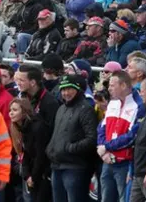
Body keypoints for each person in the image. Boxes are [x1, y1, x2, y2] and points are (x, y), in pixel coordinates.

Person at [46, 74, 98, 202]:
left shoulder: (86, 109)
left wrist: (70, 148)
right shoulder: (61, 108)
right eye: (63, 89)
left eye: (69, 89)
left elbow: (92, 138)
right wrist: (50, 149)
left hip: (75, 167)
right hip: (57, 165)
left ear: (78, 90)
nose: (65, 93)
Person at [98, 71, 144, 202]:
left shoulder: (138, 106)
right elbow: (101, 128)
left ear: (123, 85)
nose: (109, 88)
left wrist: (106, 147)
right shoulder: (113, 103)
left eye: (112, 85)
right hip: (107, 161)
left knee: (124, 198)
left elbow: (132, 136)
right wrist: (103, 150)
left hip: (124, 163)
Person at [9, 98, 51, 201]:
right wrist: (27, 175)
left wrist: (33, 176)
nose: (11, 113)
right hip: (31, 172)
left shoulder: (37, 127)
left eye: (15, 110)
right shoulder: (19, 128)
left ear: (24, 111)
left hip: (43, 173)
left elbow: (40, 155)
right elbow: (24, 153)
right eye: (10, 110)